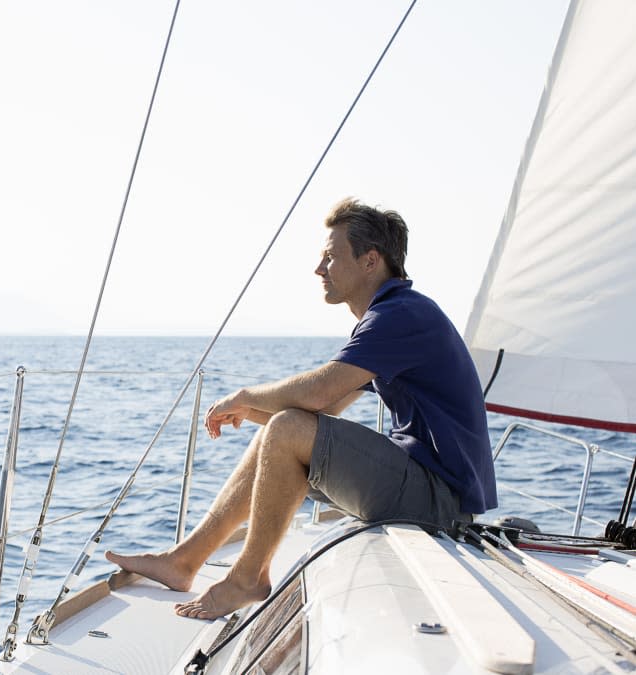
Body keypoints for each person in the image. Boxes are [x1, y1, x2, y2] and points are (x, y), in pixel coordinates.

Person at [105, 197, 497, 620]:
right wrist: (256, 414)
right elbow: (331, 406)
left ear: (370, 261)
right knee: (282, 430)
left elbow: (316, 396)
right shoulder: (393, 314)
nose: (319, 268)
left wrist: (245, 397)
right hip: (426, 486)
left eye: (331, 256)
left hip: (441, 500)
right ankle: (183, 561)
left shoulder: (400, 315)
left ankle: (247, 577)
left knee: (288, 427)